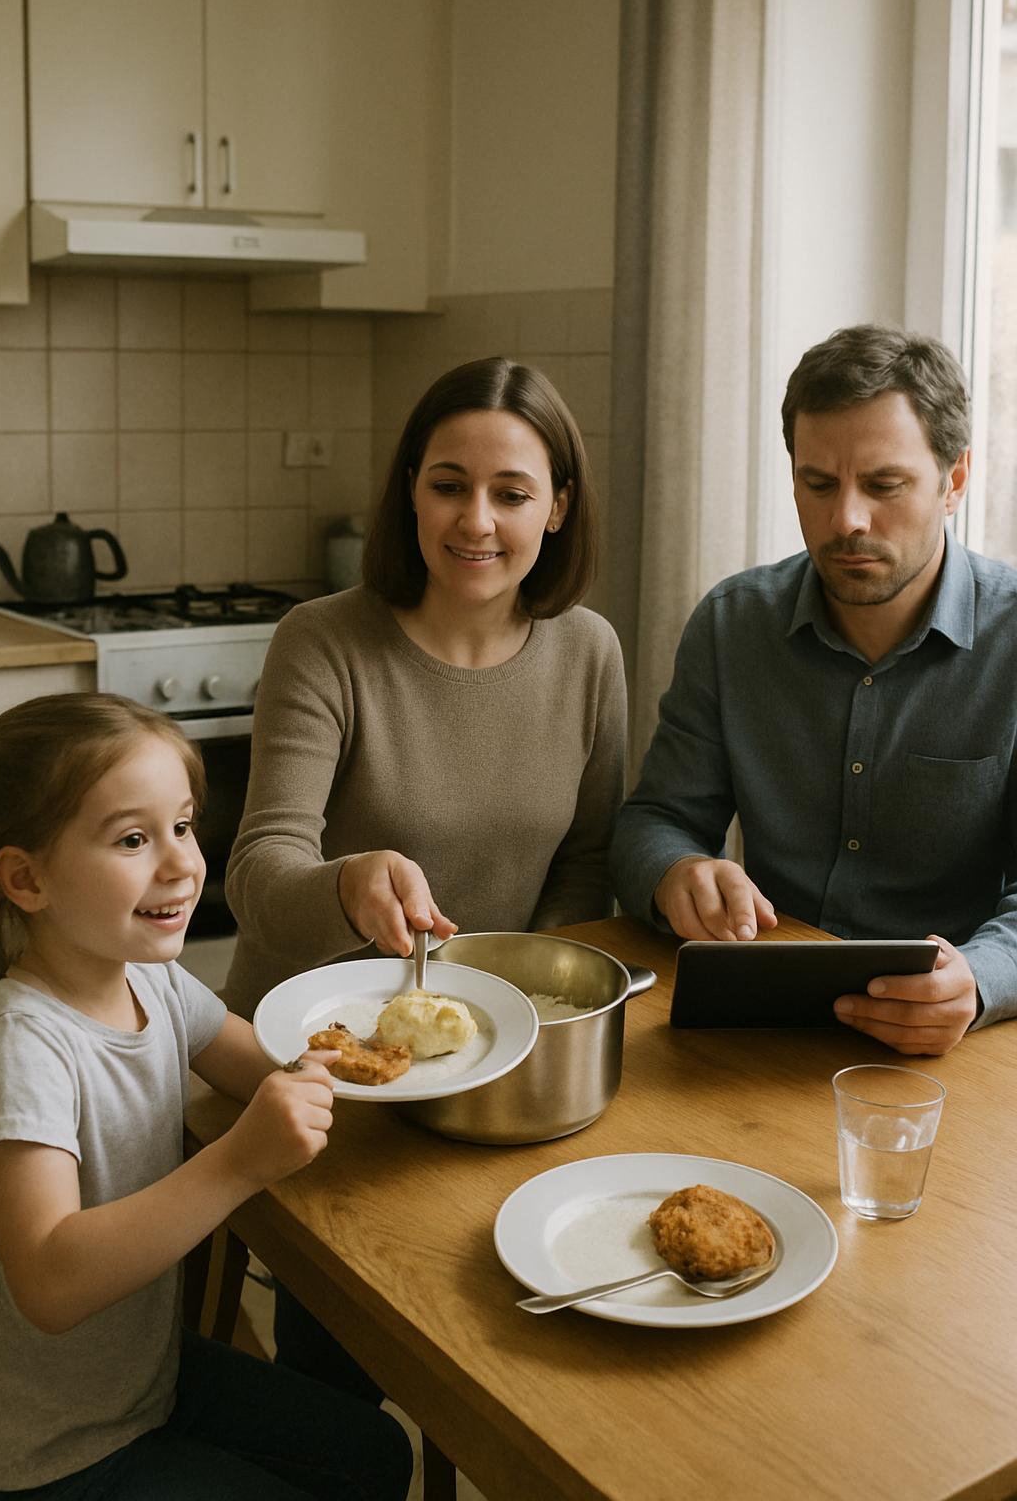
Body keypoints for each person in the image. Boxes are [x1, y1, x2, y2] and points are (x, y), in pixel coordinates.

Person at [222, 354, 626, 1390]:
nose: (475, 521)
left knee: (522, 1346)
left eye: (511, 494)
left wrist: (533, 1015)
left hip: (495, 1064)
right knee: (346, 1373)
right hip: (324, 1073)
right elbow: (257, 875)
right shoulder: (324, 641)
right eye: (449, 485)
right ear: (410, 491)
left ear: (559, 507)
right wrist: (346, 881)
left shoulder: (589, 652)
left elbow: (584, 864)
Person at [0, 693, 413, 1501]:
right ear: (26, 878)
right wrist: (237, 1163)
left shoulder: (150, 980)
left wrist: (385, 1068)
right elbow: (47, 1282)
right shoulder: (24, 1045)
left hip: (139, 1377)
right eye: (133, 839)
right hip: (52, 1450)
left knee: (375, 1453)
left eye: (183, 826)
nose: (184, 863)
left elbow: (268, 1068)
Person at [611, 323, 1017, 1056]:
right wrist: (677, 871)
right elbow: (656, 819)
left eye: (884, 485)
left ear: (954, 481)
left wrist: (981, 979)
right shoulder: (733, 624)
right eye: (818, 484)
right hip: (764, 1019)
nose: (846, 520)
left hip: (955, 1040)